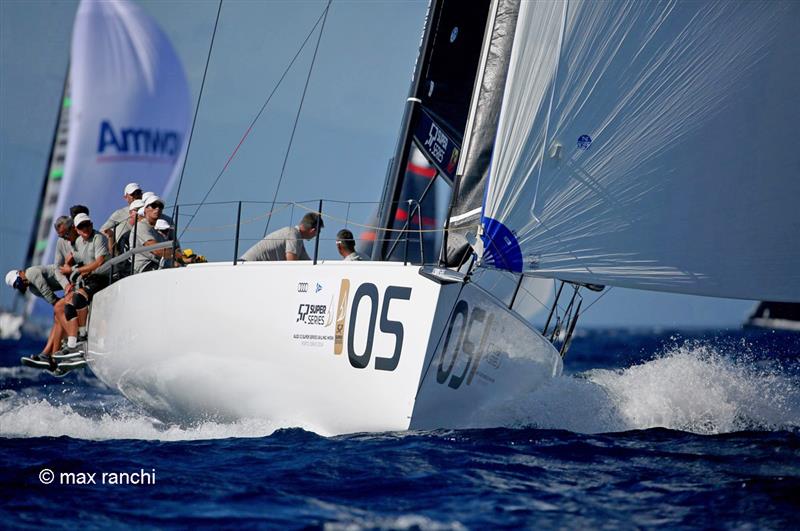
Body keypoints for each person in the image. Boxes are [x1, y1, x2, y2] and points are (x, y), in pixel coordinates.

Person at [58, 213, 110, 355]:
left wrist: (76, 270)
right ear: (77, 229)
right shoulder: (79, 242)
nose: (85, 228)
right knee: (68, 306)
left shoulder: (99, 238)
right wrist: (68, 266)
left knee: (78, 298)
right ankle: (72, 343)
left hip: (103, 277)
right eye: (81, 226)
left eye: (87, 224)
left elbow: (99, 262)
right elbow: (73, 257)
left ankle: (83, 336)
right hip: (89, 279)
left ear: (91, 224)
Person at [241, 212, 323, 262]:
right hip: (245, 266)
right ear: (312, 231)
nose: (316, 235)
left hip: (246, 267)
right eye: (318, 232)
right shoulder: (293, 235)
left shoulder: (297, 239)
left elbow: (307, 263)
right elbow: (291, 265)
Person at [130, 195, 182, 273]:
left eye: (160, 206)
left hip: (158, 264)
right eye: (153, 206)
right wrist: (180, 256)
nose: (157, 208)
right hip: (145, 266)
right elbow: (156, 250)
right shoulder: (141, 226)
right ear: (145, 210)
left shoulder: (158, 229)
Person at [100, 182, 142, 255]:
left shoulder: (150, 210)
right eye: (132, 194)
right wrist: (111, 239)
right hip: (124, 251)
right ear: (125, 198)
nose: (136, 196)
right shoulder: (120, 213)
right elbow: (103, 231)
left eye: (138, 193)